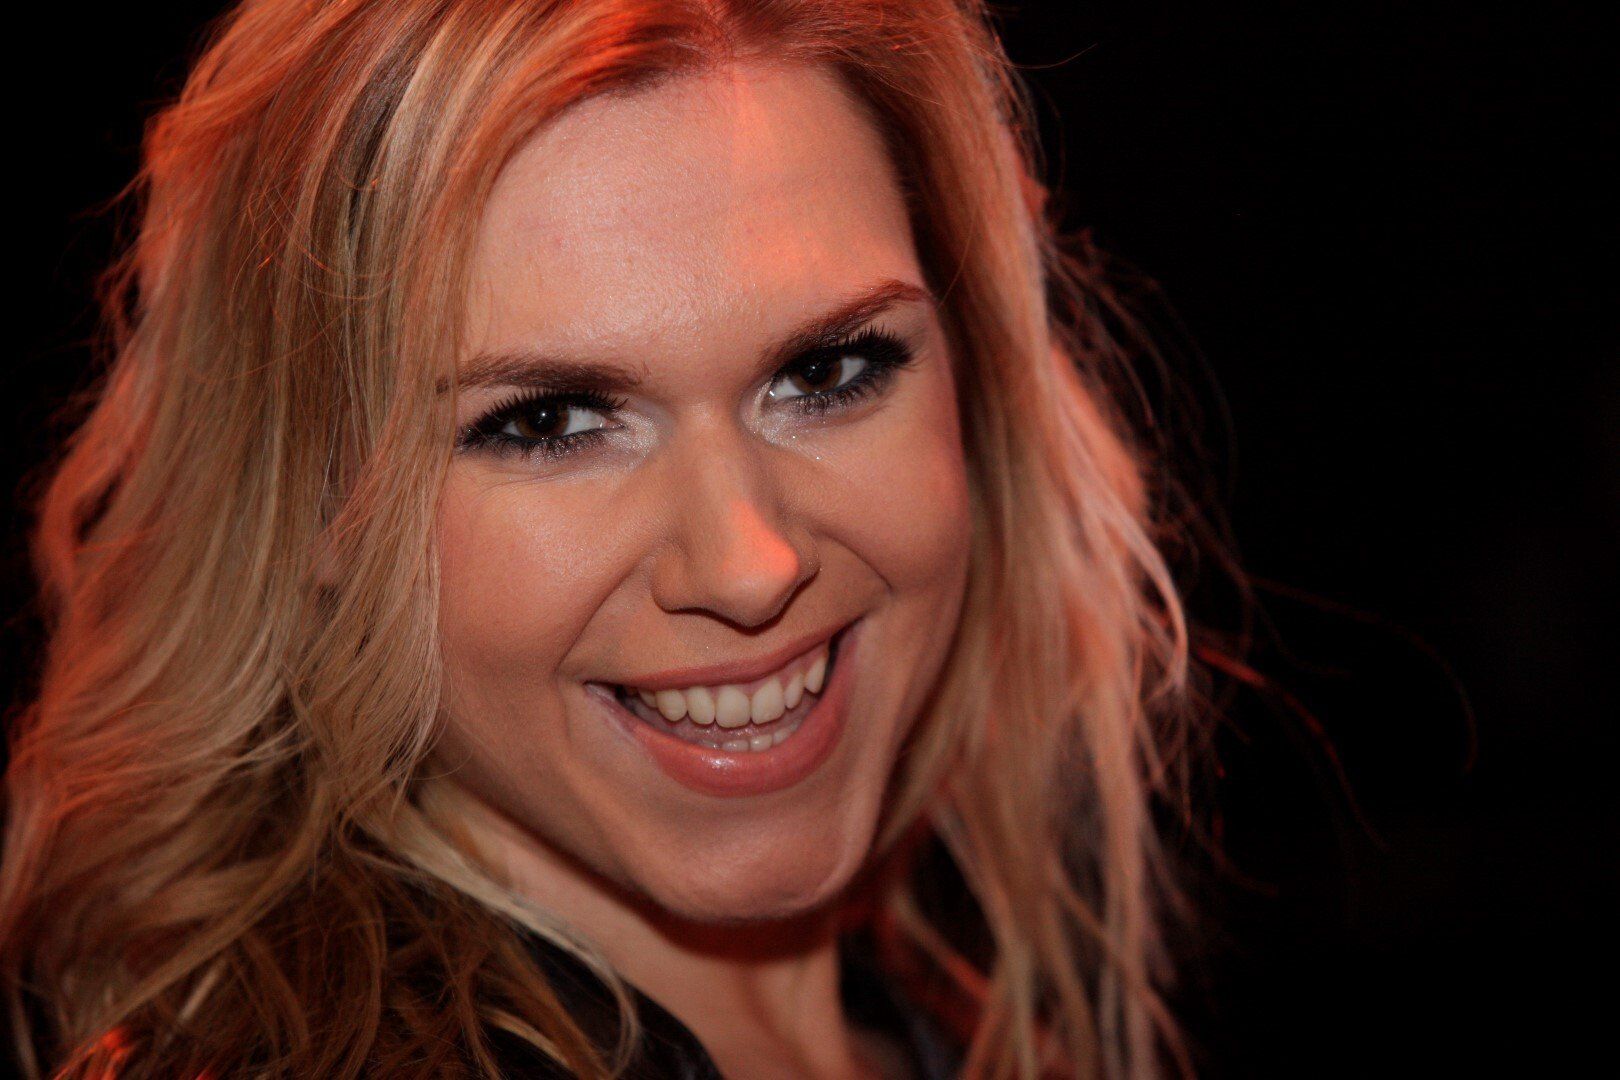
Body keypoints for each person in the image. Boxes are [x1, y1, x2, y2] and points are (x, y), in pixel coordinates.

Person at [0, 1, 1208, 1076]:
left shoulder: (957, 1025)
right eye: (549, 422)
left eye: (826, 370)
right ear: (310, 505)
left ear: (975, 381)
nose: (749, 567)